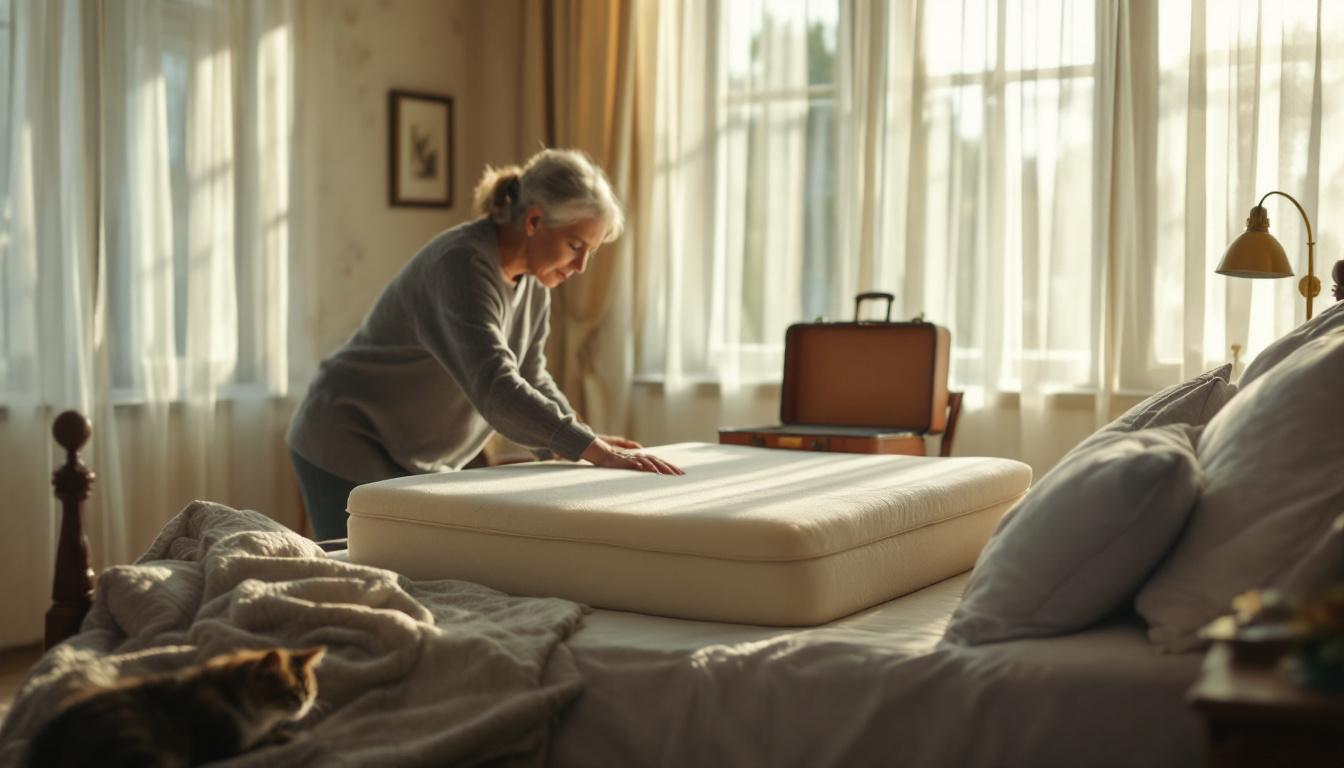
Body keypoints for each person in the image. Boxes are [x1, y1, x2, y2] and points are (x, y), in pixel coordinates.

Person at [287, 149, 683, 540]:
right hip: (347, 435)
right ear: (533, 221)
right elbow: (495, 387)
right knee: (357, 577)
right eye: (575, 246)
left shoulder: (535, 282)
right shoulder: (461, 266)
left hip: (411, 456)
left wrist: (577, 443)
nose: (580, 267)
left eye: (590, 253)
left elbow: (531, 376)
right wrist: (593, 449)